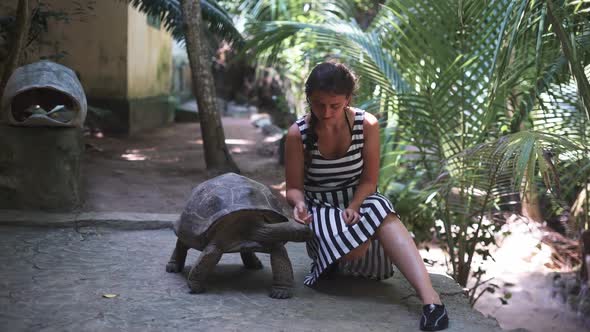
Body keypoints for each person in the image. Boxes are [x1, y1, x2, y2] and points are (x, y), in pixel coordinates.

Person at [284, 61, 449, 331]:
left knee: (380, 207)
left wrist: (355, 205)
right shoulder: (297, 133)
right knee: (356, 246)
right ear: (309, 99)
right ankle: (338, 255)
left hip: (358, 199)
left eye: (334, 105)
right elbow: (293, 188)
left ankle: (433, 303)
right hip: (321, 207)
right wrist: (299, 203)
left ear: (348, 99)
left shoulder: (366, 124)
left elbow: (370, 180)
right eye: (318, 104)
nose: (326, 113)